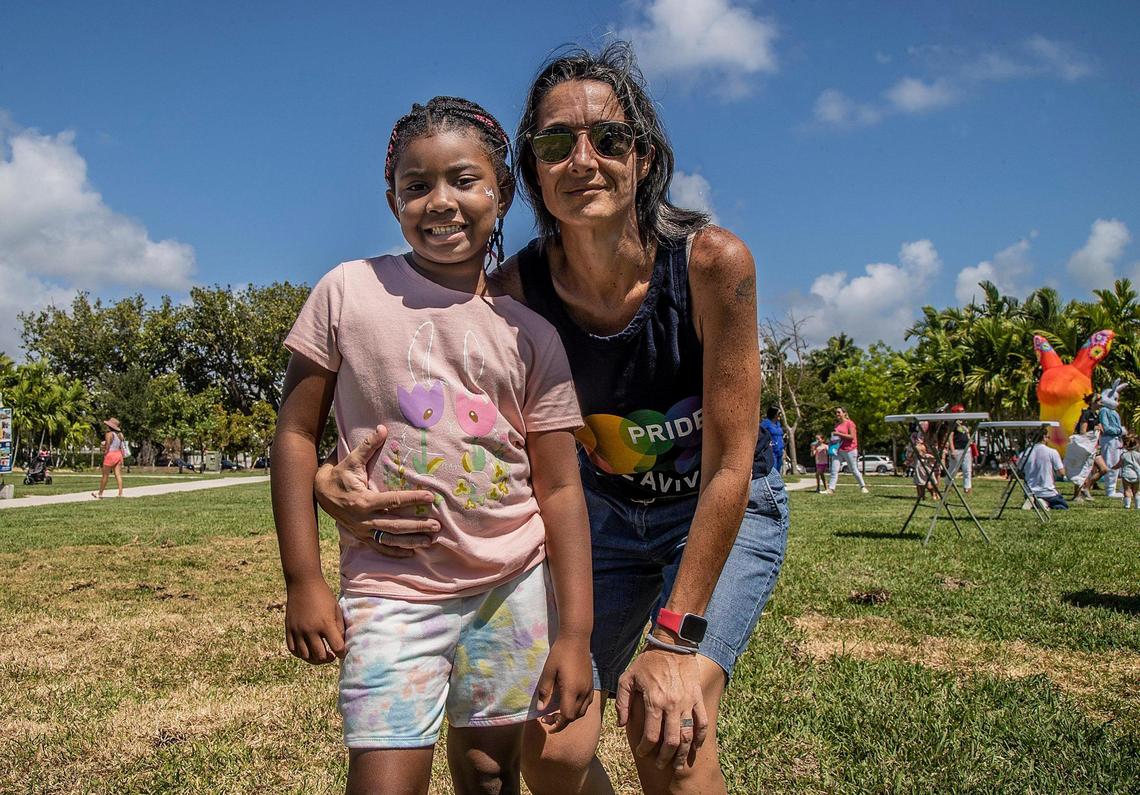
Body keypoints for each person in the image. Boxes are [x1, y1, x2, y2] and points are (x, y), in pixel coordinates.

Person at [314, 43, 788, 794]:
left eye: (611, 139)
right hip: (602, 514)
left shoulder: (712, 265)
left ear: (645, 158)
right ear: (530, 171)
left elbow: (732, 466)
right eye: (556, 142)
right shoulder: (514, 296)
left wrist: (674, 637)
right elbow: (435, 414)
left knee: (668, 723)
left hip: (713, 510)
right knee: (552, 747)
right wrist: (323, 477)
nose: (584, 159)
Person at [272, 97, 594, 794]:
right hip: (392, 590)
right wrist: (303, 578)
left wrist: (574, 633)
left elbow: (561, 489)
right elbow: (295, 434)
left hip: (510, 589)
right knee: (384, 779)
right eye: (417, 185)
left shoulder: (529, 335)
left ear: (502, 193)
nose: (440, 201)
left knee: (486, 772)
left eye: (463, 180)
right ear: (391, 200)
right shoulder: (348, 291)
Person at [827, 407, 868, 495]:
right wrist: (832, 441)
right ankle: (831, 489)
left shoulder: (850, 423)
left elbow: (852, 437)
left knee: (853, 469)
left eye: (839, 412)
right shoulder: (837, 425)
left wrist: (838, 434)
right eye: (836, 413)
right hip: (839, 449)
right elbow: (837, 438)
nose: (837, 414)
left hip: (850, 449)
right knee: (834, 470)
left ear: (844, 413)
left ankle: (863, 486)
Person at [1022, 433, 1069, 510]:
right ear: (1044, 437)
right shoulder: (1052, 452)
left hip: (1029, 492)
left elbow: (1019, 471)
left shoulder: (1024, 453)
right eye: (1048, 437)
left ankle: (1034, 502)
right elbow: (1061, 473)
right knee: (1062, 506)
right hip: (1048, 492)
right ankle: (1044, 502)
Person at [1097, 380, 1127, 498]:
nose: (1117, 402)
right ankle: (1110, 490)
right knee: (1111, 463)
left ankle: (1123, 488)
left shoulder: (1112, 411)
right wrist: (1120, 431)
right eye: (1115, 399)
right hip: (1109, 440)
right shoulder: (1104, 410)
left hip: (1116, 440)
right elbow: (1106, 427)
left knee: (1122, 462)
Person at [91, 418, 125, 499]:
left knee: (105, 475)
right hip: (118, 454)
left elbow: (108, 446)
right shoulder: (120, 435)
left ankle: (100, 493)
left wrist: (105, 453)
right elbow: (121, 447)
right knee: (118, 475)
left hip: (111, 455)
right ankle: (120, 493)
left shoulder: (109, 434)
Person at [943, 405, 973, 494]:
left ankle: (967, 488)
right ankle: (948, 486)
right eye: (961, 411)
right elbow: (950, 436)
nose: (963, 412)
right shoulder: (953, 423)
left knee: (967, 469)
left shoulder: (965, 423)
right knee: (953, 469)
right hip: (957, 449)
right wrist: (952, 450)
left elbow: (967, 434)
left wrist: (970, 440)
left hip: (966, 449)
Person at [1114, 433, 1139, 509]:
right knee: (1136, 491)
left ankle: (1127, 505)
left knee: (1127, 490)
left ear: (1125, 445)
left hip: (1126, 475)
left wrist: (1113, 467)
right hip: (1137, 475)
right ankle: (1138, 506)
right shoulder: (1138, 455)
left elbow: (1119, 465)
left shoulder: (1123, 455)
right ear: (1136, 445)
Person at [760, 407, 785, 476]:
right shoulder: (766, 423)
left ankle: (777, 485)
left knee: (778, 471)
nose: (780, 415)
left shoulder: (778, 424)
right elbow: (758, 433)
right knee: (773, 471)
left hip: (779, 451)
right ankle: (772, 486)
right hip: (771, 451)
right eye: (779, 413)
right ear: (774, 414)